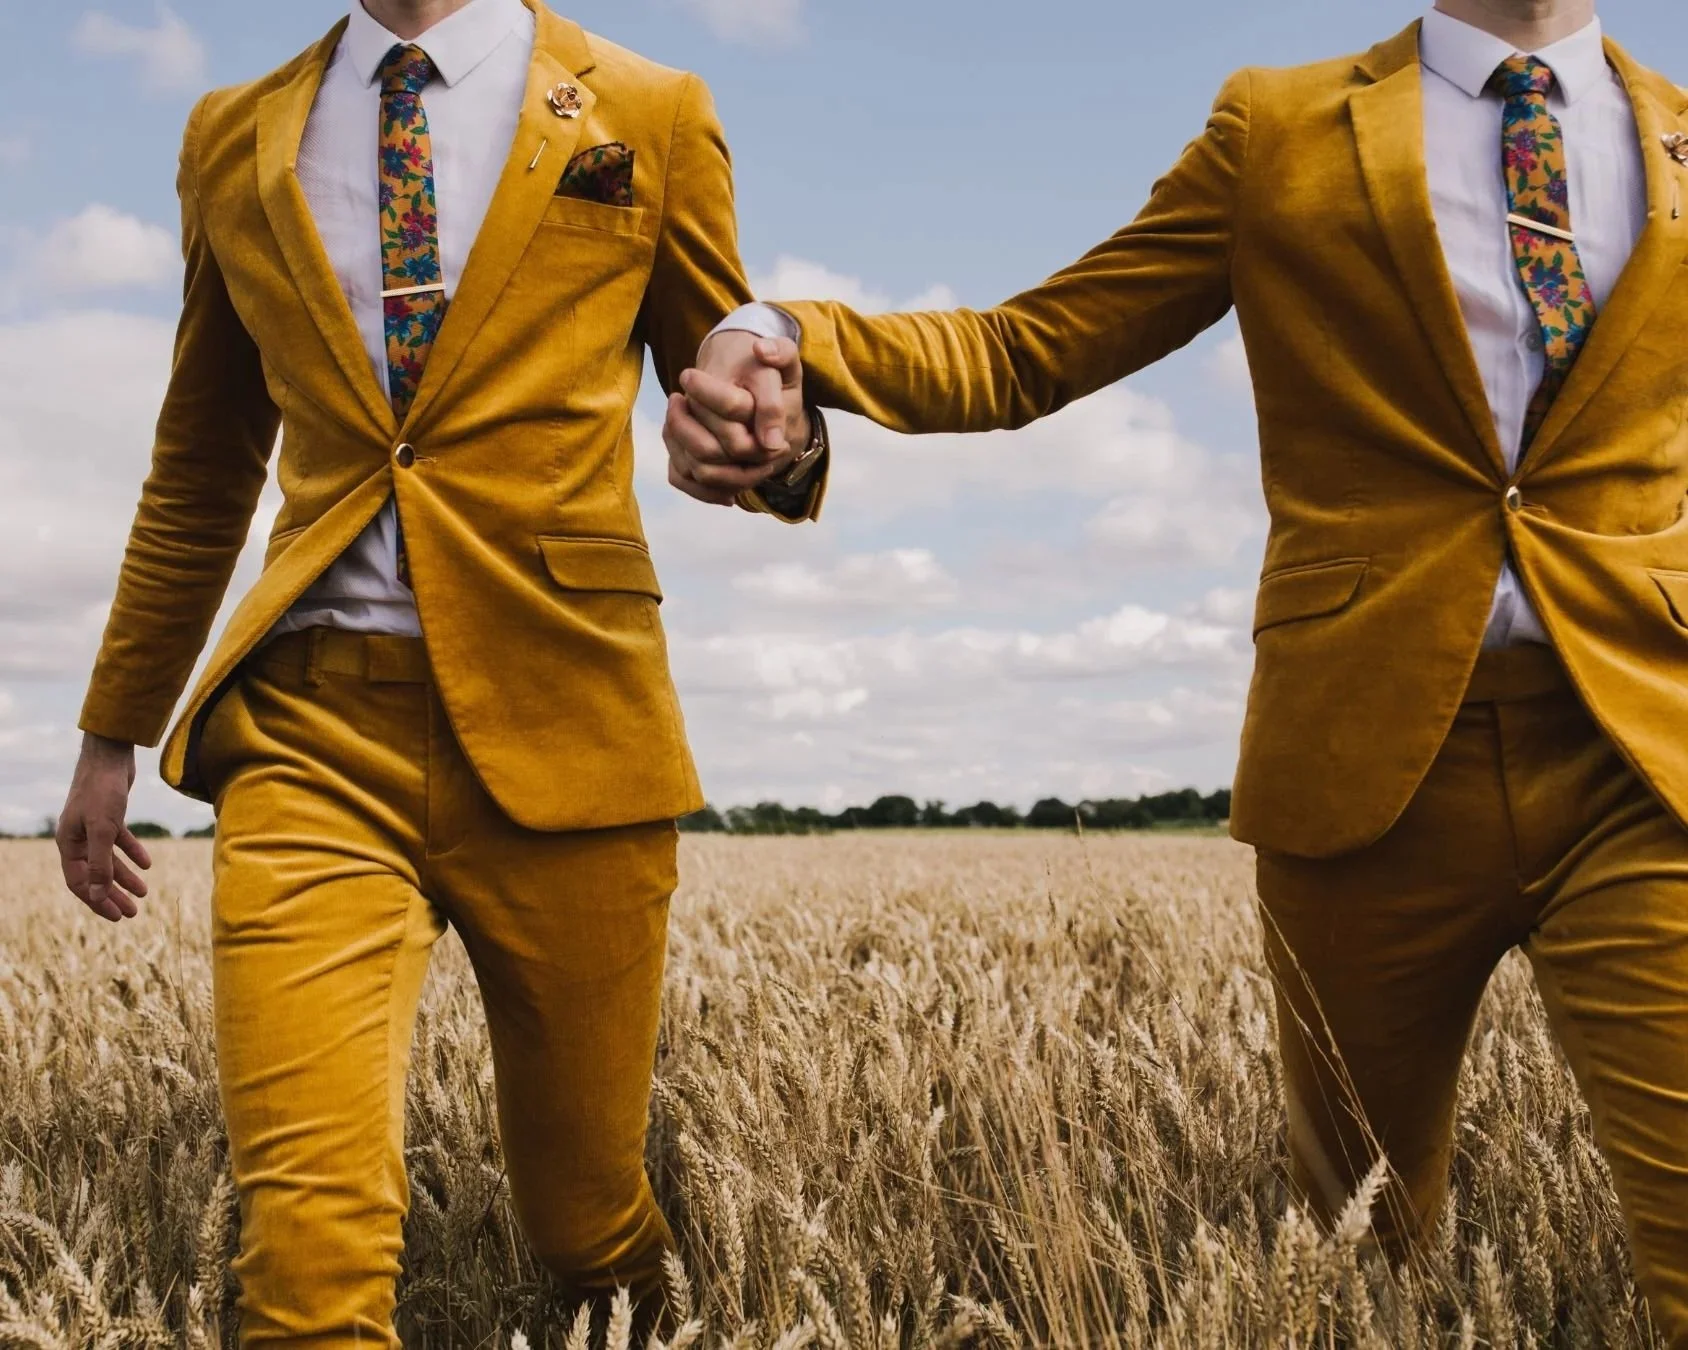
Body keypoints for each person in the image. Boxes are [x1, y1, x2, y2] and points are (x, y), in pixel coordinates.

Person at [665, 0, 1688, 1339]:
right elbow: (1036, 345)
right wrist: (785, 330)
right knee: (1367, 1266)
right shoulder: (1278, 128)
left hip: (1636, 751)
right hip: (1365, 771)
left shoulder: (1674, 131)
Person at [53, 0, 828, 1342]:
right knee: (304, 1265)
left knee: (590, 1222)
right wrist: (112, 728)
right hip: (310, 734)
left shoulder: (649, 110)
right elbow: (198, 465)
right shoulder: (231, 137)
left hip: (571, 720)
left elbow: (742, 373)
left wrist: (780, 447)